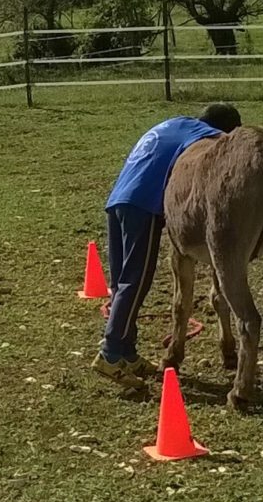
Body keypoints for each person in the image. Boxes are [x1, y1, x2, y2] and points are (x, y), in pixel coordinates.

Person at [92, 102, 243, 389]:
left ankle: (127, 351)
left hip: (118, 201)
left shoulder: (174, 125)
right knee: (136, 283)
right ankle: (110, 354)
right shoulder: (207, 136)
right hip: (145, 206)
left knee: (122, 283)